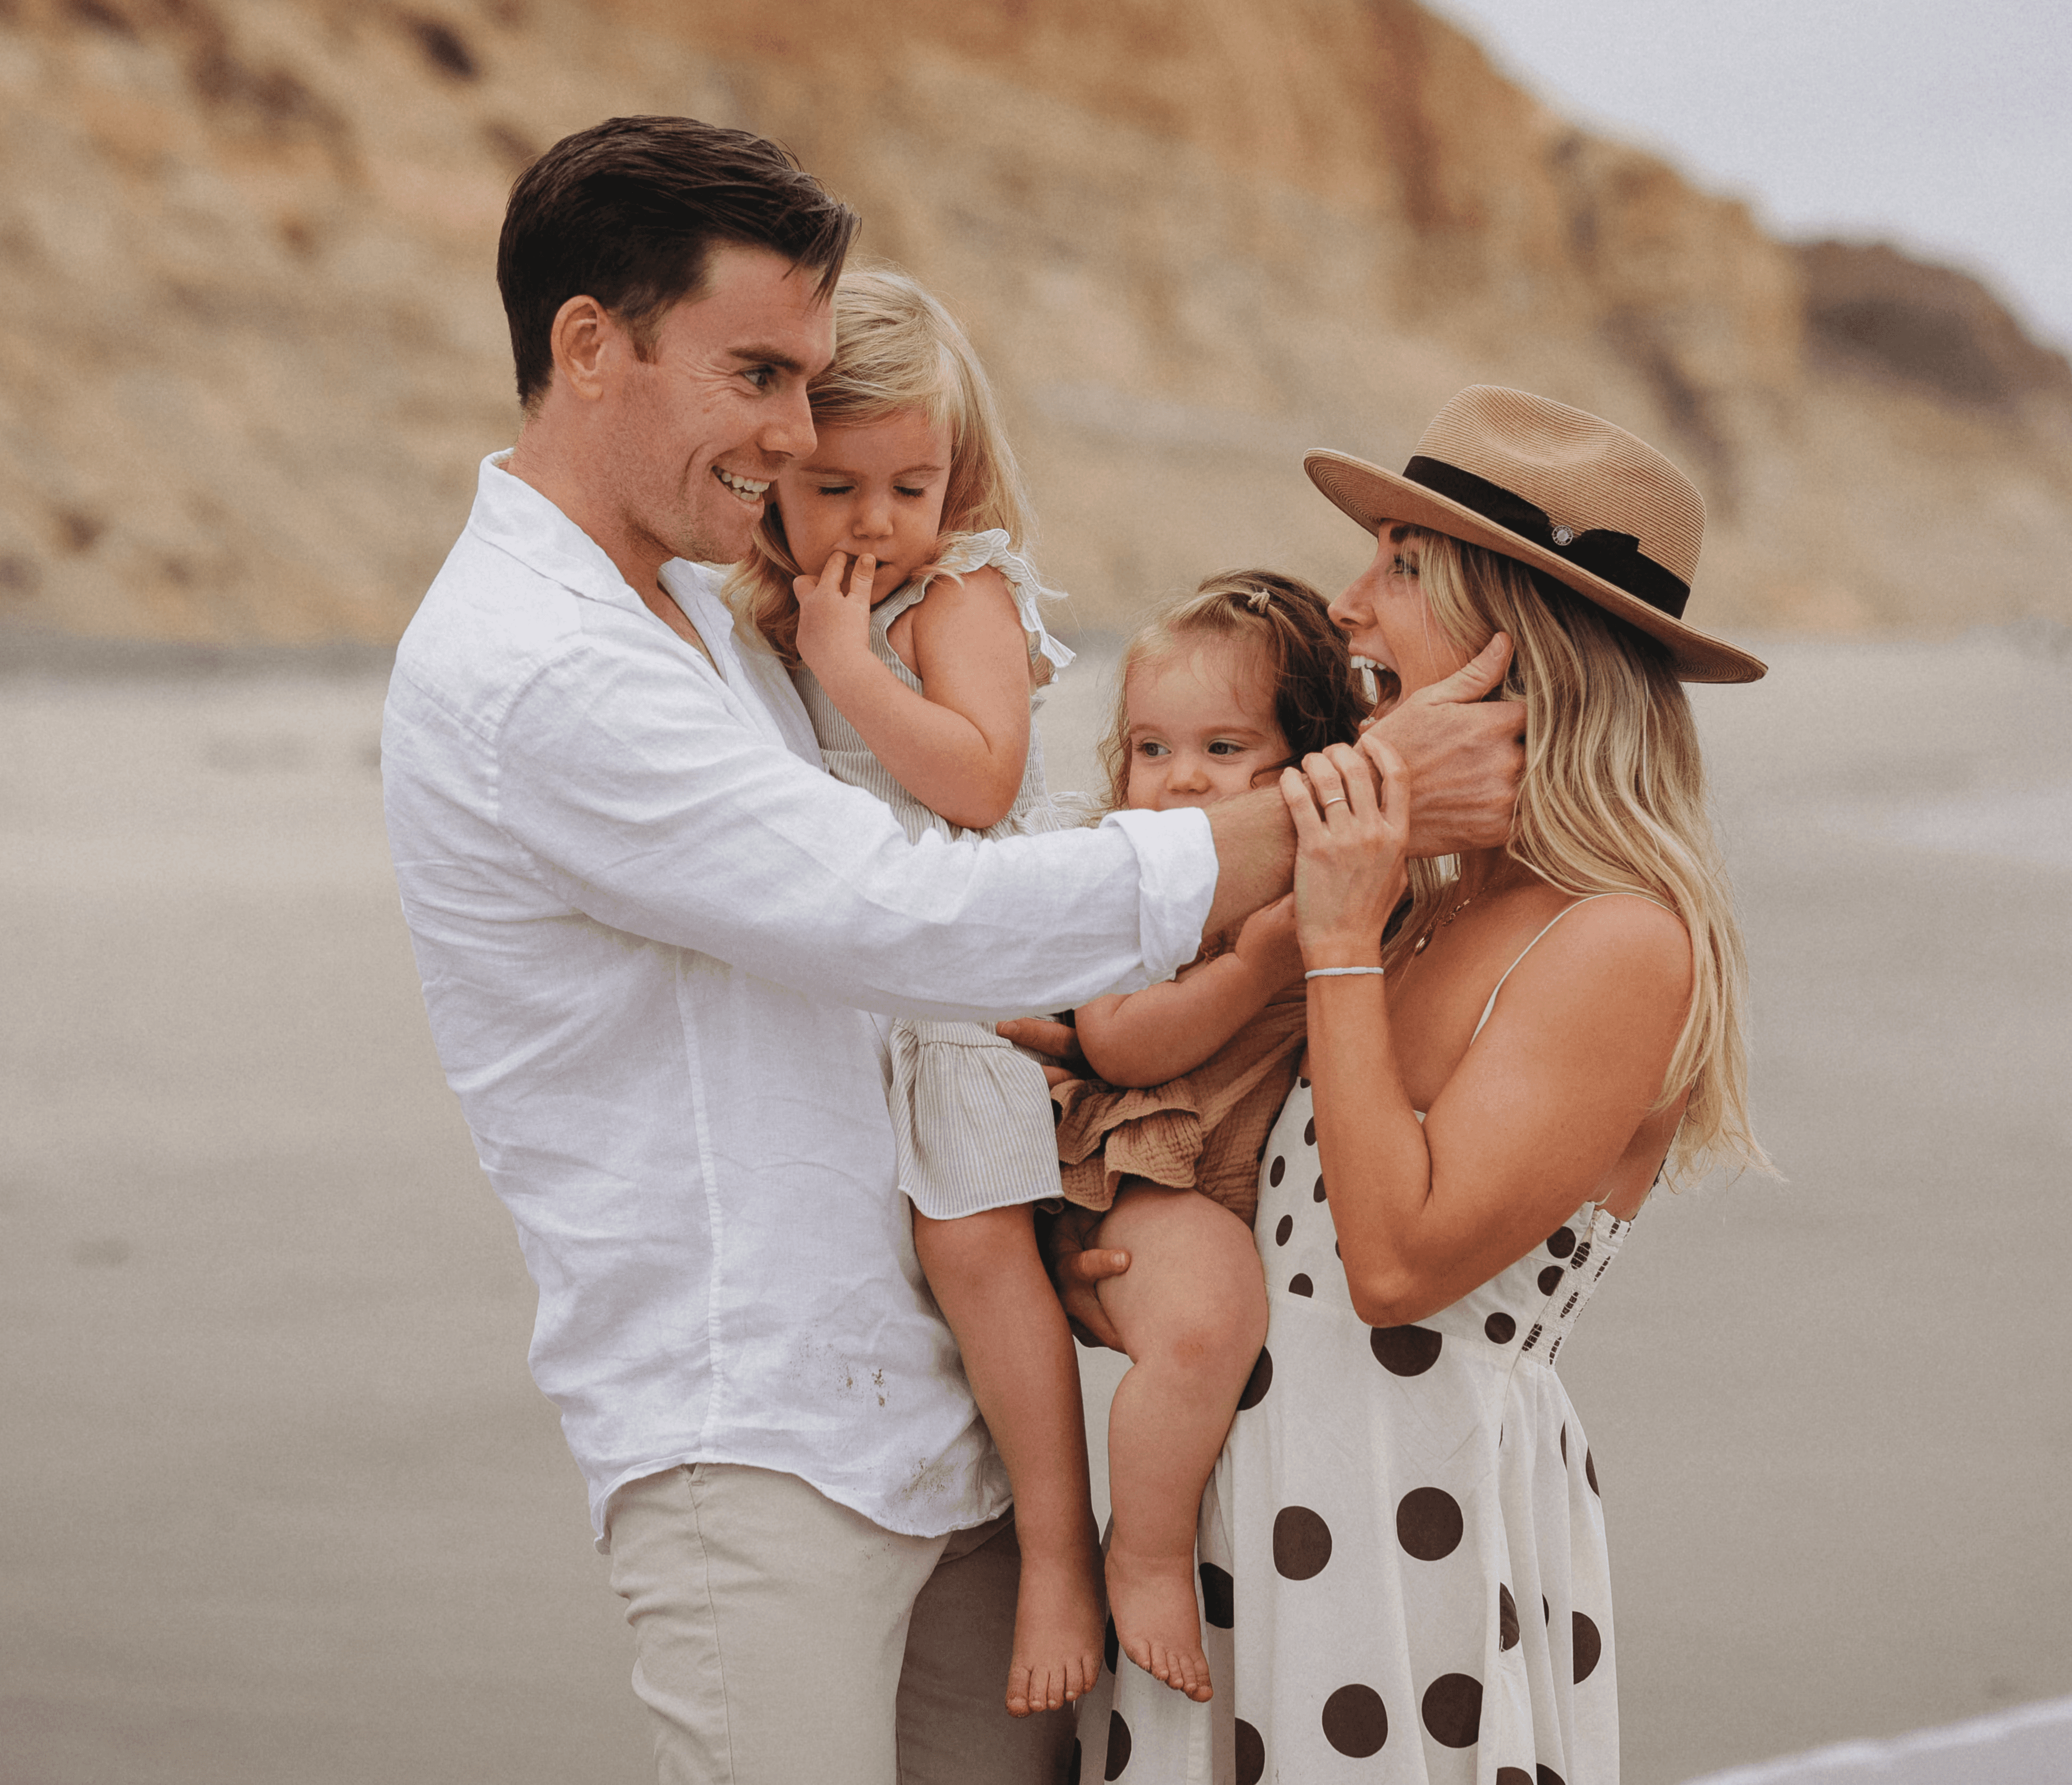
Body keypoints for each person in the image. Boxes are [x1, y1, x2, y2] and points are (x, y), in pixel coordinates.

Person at [380, 112, 1525, 1784]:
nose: (791, 436)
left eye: (809, 383)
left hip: (955, 1413)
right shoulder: (542, 672)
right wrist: (1344, 808)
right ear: (589, 345)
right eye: (756, 376)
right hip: (756, 1447)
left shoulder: (702, 606)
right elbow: (899, 915)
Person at [1080, 386, 1770, 1784]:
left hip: (1399, 1544)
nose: (1345, 605)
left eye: (1399, 564)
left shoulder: (1618, 939)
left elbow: (1394, 1267)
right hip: (1245, 1512)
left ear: (1518, 631)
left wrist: (1334, 931)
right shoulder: (1430, 904)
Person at [725, 265, 1106, 1718]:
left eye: (911, 483)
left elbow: (979, 776)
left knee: (971, 1245)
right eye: (835, 488)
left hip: (963, 985)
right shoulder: (774, 606)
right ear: (772, 481)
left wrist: (844, 659)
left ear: (962, 475)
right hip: (857, 997)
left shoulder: (960, 590)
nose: (876, 522)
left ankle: (1059, 1553)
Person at [1028, 572, 1369, 1703]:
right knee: (1207, 1313)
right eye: (1151, 747)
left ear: (1307, 761)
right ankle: (1144, 1551)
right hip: (1144, 1155)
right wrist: (1257, 965)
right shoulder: (1131, 887)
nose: (1179, 781)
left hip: (1218, 1160)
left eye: (1225, 749)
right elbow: (1122, 1044)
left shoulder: (1302, 872)